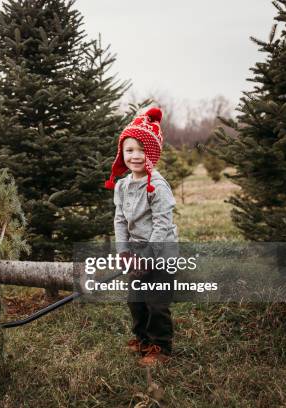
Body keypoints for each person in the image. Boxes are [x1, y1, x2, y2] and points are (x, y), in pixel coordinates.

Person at [104, 107, 178, 366]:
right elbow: (120, 219)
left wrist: (148, 257)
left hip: (160, 255)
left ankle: (161, 347)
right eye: (129, 150)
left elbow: (162, 224)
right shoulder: (123, 185)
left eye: (141, 150)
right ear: (122, 154)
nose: (135, 156)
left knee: (156, 302)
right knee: (136, 301)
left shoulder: (157, 187)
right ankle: (143, 340)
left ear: (153, 153)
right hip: (136, 255)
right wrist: (124, 252)